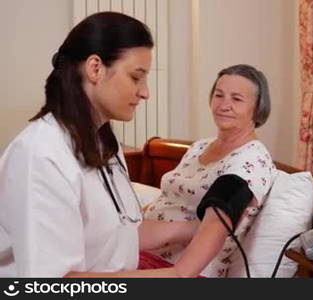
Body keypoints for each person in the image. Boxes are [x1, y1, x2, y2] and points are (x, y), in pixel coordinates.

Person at [0, 12, 188, 277]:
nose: (145, 92)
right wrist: (173, 276)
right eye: (136, 77)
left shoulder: (104, 145)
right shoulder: (41, 155)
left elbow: (121, 235)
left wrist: (191, 229)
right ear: (95, 68)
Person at [141, 64, 277, 277]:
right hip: (142, 250)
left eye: (237, 99)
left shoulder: (249, 162)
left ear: (257, 108)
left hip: (179, 269)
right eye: (219, 95)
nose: (224, 105)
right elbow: (171, 200)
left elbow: (214, 229)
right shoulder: (199, 147)